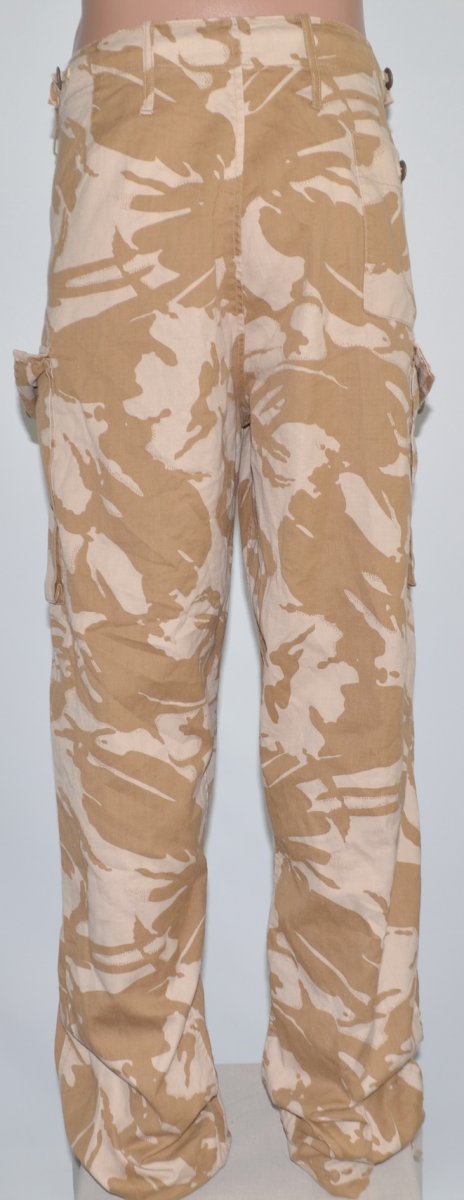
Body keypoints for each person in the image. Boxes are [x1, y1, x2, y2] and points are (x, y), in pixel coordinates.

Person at [13, 3, 435, 1198]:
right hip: (136, 110)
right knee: (125, 674)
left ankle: (352, 1092)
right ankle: (139, 1115)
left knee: (348, 668)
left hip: (323, 116)